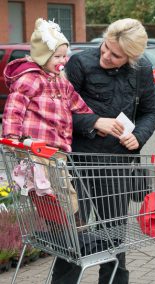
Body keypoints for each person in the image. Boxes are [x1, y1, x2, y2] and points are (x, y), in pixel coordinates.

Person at [51, 18, 155, 284]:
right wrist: (93, 122)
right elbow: (59, 113)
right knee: (73, 238)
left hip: (116, 167)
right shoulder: (80, 64)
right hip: (79, 163)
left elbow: (150, 111)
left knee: (114, 237)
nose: (106, 57)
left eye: (115, 55)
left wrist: (138, 136)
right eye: (104, 48)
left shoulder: (142, 69)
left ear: (132, 57)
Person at [2, 18, 93, 221]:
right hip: (36, 148)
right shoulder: (30, 79)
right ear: (43, 56)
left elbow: (77, 104)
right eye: (57, 56)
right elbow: (13, 109)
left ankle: (65, 228)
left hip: (57, 150)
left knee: (59, 190)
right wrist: (11, 137)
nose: (63, 61)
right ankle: (73, 228)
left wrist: (94, 121)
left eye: (64, 56)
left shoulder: (61, 82)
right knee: (59, 191)